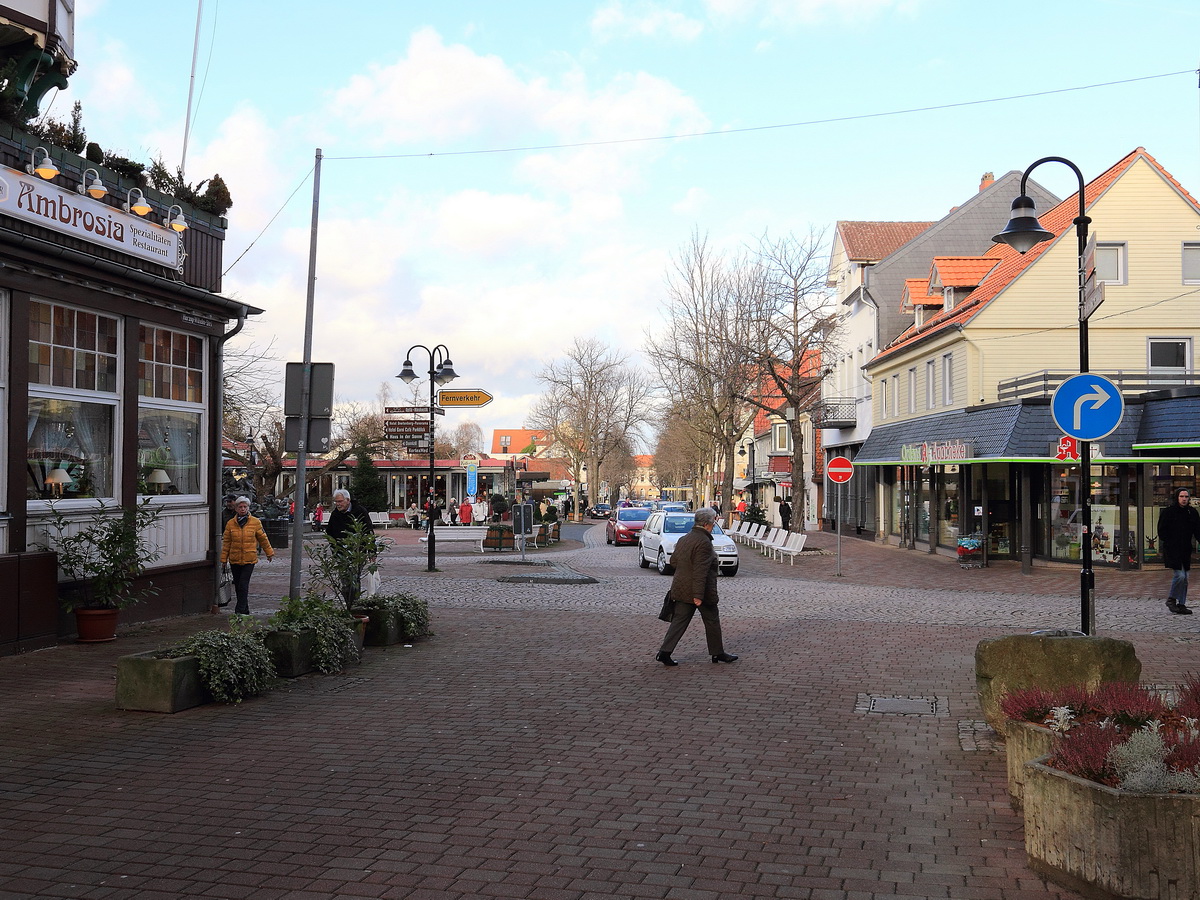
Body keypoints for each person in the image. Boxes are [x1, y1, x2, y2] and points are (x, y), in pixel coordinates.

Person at [655, 506, 738, 666]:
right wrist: (698, 596)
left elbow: (673, 562)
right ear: (708, 524)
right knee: (712, 620)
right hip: (701, 591)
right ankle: (717, 653)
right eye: (713, 522)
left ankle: (664, 652)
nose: (714, 525)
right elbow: (701, 571)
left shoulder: (684, 539)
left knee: (679, 621)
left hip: (681, 588)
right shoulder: (704, 542)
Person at [220, 496, 274, 614]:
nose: (243, 509)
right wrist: (224, 559)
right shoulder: (230, 524)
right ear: (236, 508)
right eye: (240, 507)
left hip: (249, 559)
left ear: (248, 508)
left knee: (243, 585)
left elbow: (263, 538)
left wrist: (269, 553)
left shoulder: (255, 522)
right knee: (239, 586)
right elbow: (227, 542)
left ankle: (239, 611)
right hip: (235, 559)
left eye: (245, 507)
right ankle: (245, 609)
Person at [326, 489, 376, 603]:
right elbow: (330, 532)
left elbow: (368, 531)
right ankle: (349, 601)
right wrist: (334, 548)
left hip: (357, 551)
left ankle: (354, 602)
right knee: (344, 580)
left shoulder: (360, 511)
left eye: (340, 501)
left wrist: (372, 550)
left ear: (347, 500)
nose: (338, 504)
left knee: (354, 578)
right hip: (341, 553)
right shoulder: (335, 514)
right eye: (336, 502)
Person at [1158, 487, 1200, 615]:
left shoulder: (1192, 513)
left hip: (1185, 549)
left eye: (1186, 497)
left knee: (1185, 578)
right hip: (1172, 548)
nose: (1184, 499)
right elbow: (1161, 530)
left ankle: (1181, 604)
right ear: (1177, 497)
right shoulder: (1169, 512)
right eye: (1181, 496)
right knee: (1180, 575)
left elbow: (1197, 531)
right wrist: (1169, 541)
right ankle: (1171, 599)